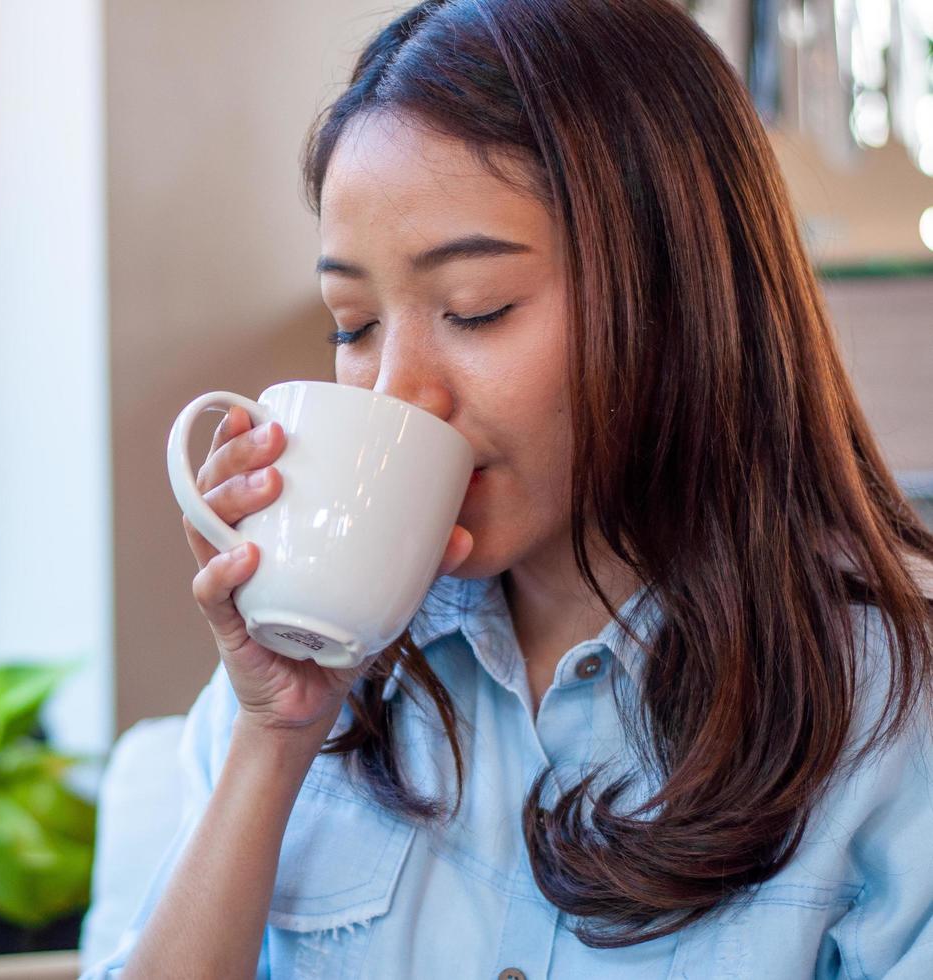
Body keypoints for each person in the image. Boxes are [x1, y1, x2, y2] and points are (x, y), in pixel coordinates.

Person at [82, 1, 933, 976]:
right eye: (354, 324)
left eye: (474, 310)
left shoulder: (888, 716)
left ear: (676, 294)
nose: (401, 391)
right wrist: (274, 740)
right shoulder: (316, 685)